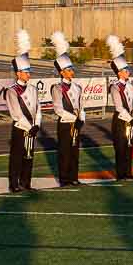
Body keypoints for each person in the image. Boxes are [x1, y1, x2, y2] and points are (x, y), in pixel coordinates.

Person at [6, 30, 42, 194]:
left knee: (29, 156)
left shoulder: (33, 89)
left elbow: (38, 108)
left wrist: (37, 124)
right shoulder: (12, 91)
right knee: (17, 156)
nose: (29, 74)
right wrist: (29, 126)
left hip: (31, 127)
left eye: (29, 71)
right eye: (26, 72)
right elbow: (16, 113)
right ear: (18, 73)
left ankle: (26, 182)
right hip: (20, 127)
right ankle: (14, 184)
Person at [51, 31, 84, 186]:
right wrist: (74, 118)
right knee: (64, 151)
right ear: (62, 72)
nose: (72, 71)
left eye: (72, 69)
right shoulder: (57, 88)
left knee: (75, 151)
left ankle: (74, 177)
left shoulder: (77, 87)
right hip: (65, 123)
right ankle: (64, 179)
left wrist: (81, 118)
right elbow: (58, 109)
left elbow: (80, 105)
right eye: (69, 69)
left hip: (76, 123)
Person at [107, 36, 133, 181]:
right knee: (120, 147)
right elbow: (119, 107)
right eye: (125, 69)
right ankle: (121, 174)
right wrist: (129, 118)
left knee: (129, 146)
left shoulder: (131, 86)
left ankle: (128, 172)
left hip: (130, 120)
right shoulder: (115, 86)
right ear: (119, 72)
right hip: (121, 120)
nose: (128, 71)